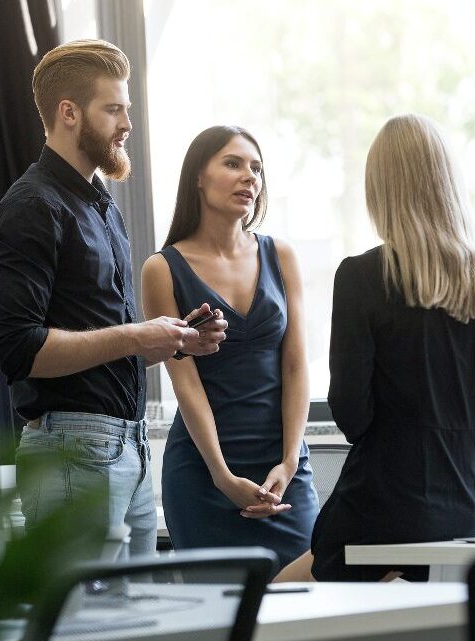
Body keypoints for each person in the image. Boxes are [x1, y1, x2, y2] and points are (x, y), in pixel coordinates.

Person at [0, 40, 227, 557]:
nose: (126, 124)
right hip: (73, 450)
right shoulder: (30, 208)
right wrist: (138, 335)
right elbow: (18, 350)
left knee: (131, 627)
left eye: (127, 110)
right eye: (113, 109)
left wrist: (172, 339)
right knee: (84, 629)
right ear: (68, 113)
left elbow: (102, 336)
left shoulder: (101, 207)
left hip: (127, 448)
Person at [275, 114, 475, 582]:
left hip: (379, 512)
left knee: (268, 609)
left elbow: (351, 415)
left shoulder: (361, 277)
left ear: (380, 189)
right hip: (461, 513)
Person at [140, 125, 318, 570]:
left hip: (284, 468)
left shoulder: (282, 255)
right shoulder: (162, 269)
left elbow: (296, 366)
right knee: (224, 620)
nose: (250, 178)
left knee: (309, 606)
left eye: (256, 168)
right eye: (233, 164)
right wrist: (221, 475)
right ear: (198, 176)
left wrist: (290, 461)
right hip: (204, 473)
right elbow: (185, 382)